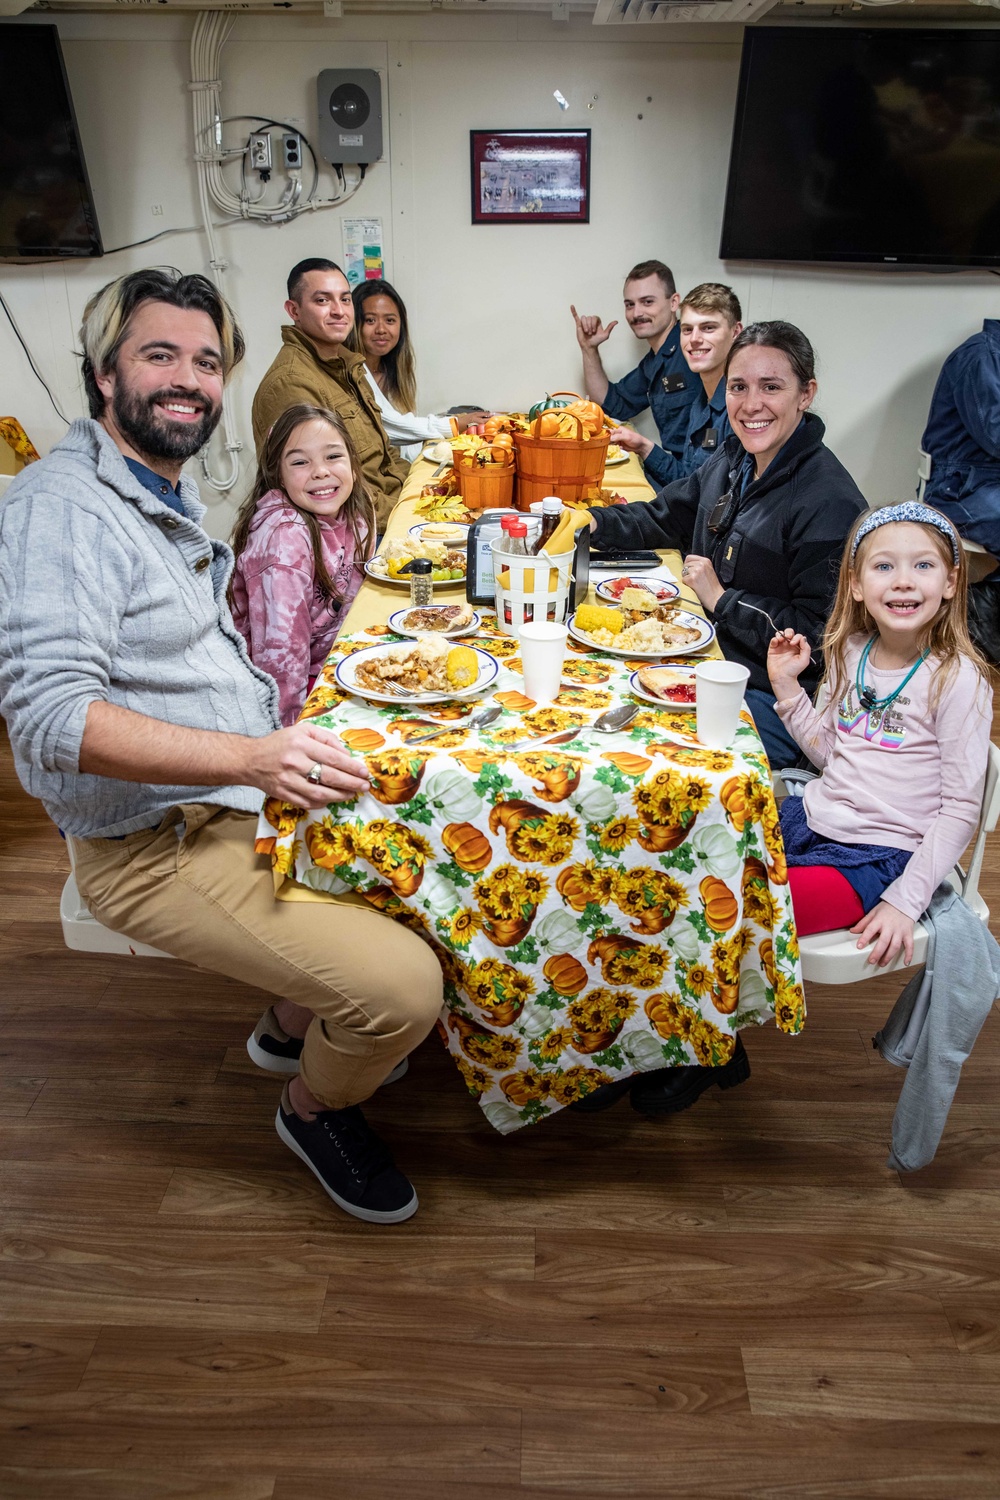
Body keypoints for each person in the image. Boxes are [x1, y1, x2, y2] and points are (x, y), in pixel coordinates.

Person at [0, 267, 443, 1225]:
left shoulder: (151, 489)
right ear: (104, 370)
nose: (189, 379)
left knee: (428, 852)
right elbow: (46, 718)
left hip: (232, 794)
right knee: (409, 991)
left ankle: (293, 1025)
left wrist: (265, 750)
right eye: (160, 354)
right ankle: (311, 1107)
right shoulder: (60, 508)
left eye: (207, 362)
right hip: (156, 842)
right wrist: (252, 759)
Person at [587, 321, 868, 772]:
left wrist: (721, 599)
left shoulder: (829, 501)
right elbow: (665, 517)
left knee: (638, 749)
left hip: (776, 701)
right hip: (709, 659)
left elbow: (821, 639)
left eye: (771, 386)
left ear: (806, 393)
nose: (751, 404)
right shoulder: (736, 456)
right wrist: (586, 522)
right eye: (739, 387)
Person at [768, 502, 993, 965]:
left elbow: (960, 810)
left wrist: (904, 901)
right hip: (812, 822)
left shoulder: (957, 679)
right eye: (884, 566)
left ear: (951, 582)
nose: (903, 580)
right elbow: (831, 753)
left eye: (924, 566)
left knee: (750, 907)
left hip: (880, 858)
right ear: (855, 583)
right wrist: (787, 687)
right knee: (709, 863)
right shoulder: (853, 650)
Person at [230, 403, 375, 728]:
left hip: (335, 660)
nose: (321, 471)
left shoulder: (353, 516)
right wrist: (293, 736)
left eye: (333, 456)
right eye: (299, 462)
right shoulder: (285, 541)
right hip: (294, 694)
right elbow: (281, 657)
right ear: (277, 474)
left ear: (353, 464)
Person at [252, 258, 408, 530]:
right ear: (294, 310)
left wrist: (423, 489)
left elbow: (384, 459)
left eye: (345, 300)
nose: (339, 311)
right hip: (359, 531)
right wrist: (408, 515)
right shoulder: (292, 383)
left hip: (390, 507)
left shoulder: (347, 365)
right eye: (323, 301)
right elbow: (325, 491)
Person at [608, 283, 743, 487]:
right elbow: (689, 480)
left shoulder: (741, 406)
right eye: (687, 329)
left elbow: (710, 498)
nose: (695, 339)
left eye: (708, 328)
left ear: (736, 332)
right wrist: (644, 446)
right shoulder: (701, 403)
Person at [570, 259, 698, 467]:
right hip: (677, 470)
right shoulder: (654, 360)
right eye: (630, 304)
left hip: (697, 476)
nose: (636, 313)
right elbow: (612, 404)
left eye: (647, 302)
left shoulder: (693, 349)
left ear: (674, 302)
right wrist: (588, 349)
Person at [349, 279, 487, 461]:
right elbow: (388, 426)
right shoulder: (352, 370)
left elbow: (406, 435)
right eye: (370, 320)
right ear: (354, 324)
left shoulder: (392, 371)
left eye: (390, 320)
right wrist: (455, 424)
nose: (381, 329)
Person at [920, 320, 1000, 558]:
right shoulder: (982, 356)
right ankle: (987, 594)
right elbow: (995, 437)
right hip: (960, 488)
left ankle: (988, 592)